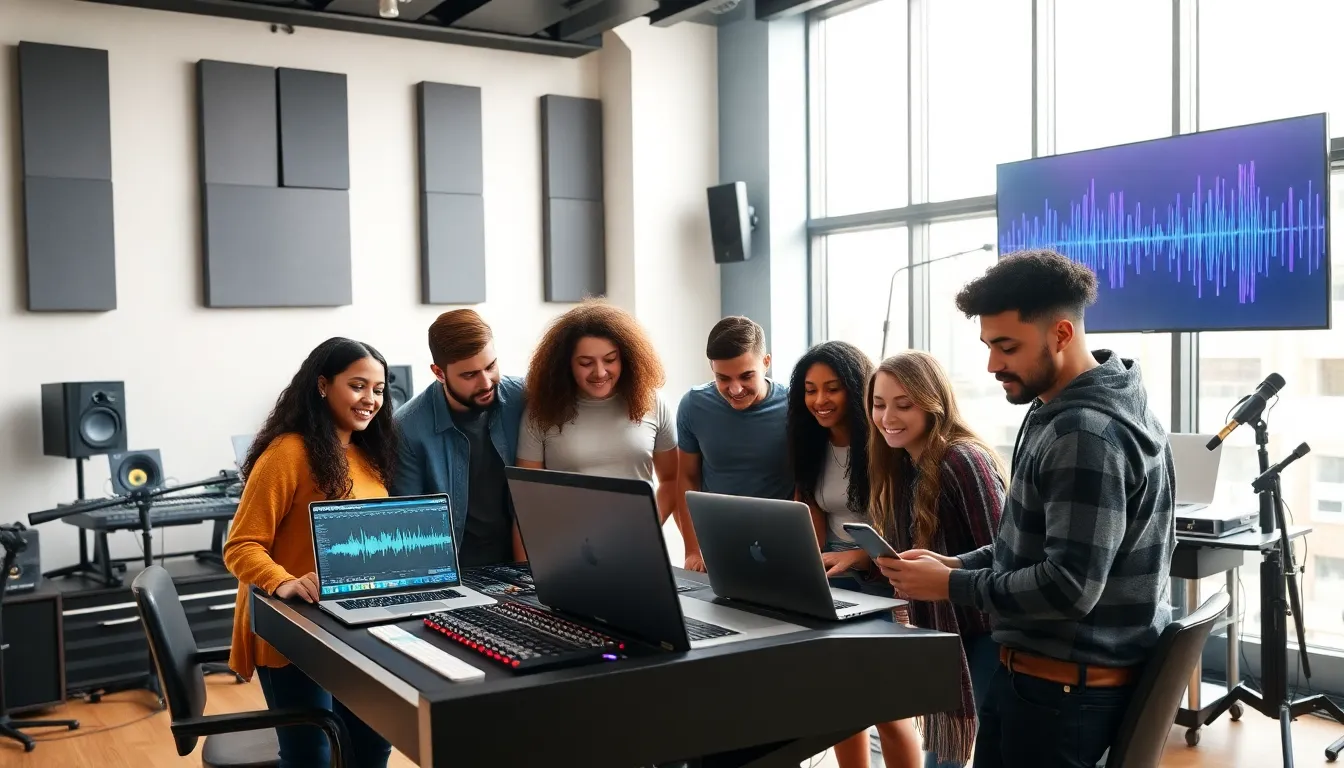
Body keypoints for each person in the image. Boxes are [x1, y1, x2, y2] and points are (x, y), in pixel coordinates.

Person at [881, 250, 1175, 768]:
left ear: (1061, 334)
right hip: (1046, 683)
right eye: (988, 346)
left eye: (1007, 347)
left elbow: (1069, 587)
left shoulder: (1083, 432)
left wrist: (950, 587)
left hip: (1059, 696)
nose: (993, 364)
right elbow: (1031, 538)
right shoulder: (1078, 403)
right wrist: (960, 565)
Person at [223, 337, 399, 768]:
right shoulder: (287, 453)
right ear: (323, 385)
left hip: (355, 628)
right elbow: (241, 545)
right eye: (358, 385)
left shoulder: (367, 455)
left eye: (378, 389)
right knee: (311, 757)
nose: (370, 399)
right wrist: (283, 581)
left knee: (372, 747)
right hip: (294, 633)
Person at [867, 351, 1006, 768]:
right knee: (940, 755)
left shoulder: (964, 460)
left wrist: (942, 569)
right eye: (879, 404)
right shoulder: (903, 464)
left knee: (947, 757)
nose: (888, 416)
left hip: (986, 636)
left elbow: (1006, 556)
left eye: (903, 404)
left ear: (934, 404)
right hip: (951, 636)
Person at [786, 341, 918, 768]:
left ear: (857, 390)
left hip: (883, 573)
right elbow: (811, 510)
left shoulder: (887, 440)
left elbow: (908, 526)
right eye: (810, 390)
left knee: (889, 710)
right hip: (834, 576)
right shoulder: (811, 443)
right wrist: (809, 563)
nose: (820, 401)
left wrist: (860, 557)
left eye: (832, 388)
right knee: (842, 709)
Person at [516, 299, 679, 521]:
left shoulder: (654, 403)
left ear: (626, 359)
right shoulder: (542, 411)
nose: (600, 372)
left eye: (610, 360)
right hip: (568, 544)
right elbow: (528, 498)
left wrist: (647, 529)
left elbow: (671, 481)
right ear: (566, 364)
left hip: (638, 547)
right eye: (586, 363)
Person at [392, 309, 527, 567]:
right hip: (458, 574)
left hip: (526, 567)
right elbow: (409, 529)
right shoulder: (406, 429)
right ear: (439, 373)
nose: (486, 382)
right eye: (470, 375)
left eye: (491, 366)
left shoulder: (525, 399)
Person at [675, 316, 792, 571]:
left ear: (766, 362)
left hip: (781, 545)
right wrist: (692, 551)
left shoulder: (793, 407)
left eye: (746, 376)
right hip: (717, 546)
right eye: (723, 379)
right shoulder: (693, 405)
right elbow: (686, 478)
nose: (735, 389)